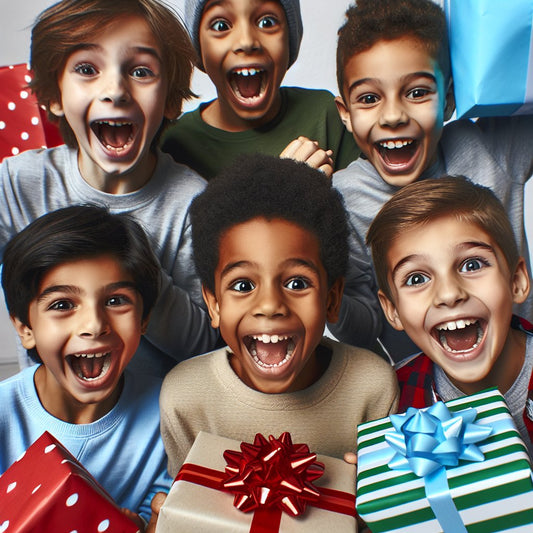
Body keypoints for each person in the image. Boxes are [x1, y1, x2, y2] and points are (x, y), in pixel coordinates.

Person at [0, 0, 219, 376]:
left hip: (153, 421)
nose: (115, 90)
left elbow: (203, 348)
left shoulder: (192, 203)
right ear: (53, 95)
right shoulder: (18, 183)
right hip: (51, 416)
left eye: (140, 71)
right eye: (87, 69)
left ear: (169, 99)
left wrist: (138, 265)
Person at [159, 154, 399, 477]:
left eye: (297, 283)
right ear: (214, 303)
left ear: (332, 299)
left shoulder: (373, 389)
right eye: (243, 285)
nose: (270, 305)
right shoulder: (184, 398)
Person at [331, 0, 533, 363]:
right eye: (369, 98)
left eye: (417, 92)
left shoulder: (490, 148)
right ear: (345, 114)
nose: (393, 115)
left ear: (449, 98)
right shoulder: (340, 203)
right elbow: (363, 327)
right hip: (430, 400)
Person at [0, 205, 174, 530]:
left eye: (116, 300)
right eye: (63, 305)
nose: (94, 325)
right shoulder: (3, 416)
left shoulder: (172, 415)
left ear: (144, 317)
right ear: (25, 328)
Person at [366, 177, 532, 456]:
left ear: (516, 281)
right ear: (393, 310)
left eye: (471, 264)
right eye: (417, 278)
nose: (448, 294)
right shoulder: (391, 402)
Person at [160, 0, 360, 180]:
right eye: (221, 25)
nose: (246, 42)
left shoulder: (327, 115)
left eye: (267, 22)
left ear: (289, 39)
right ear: (198, 47)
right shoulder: (175, 143)